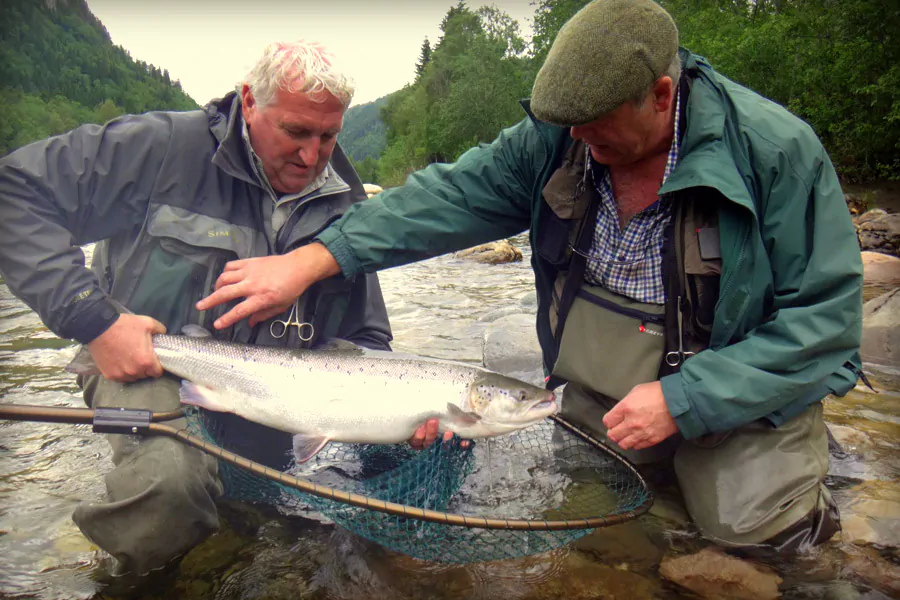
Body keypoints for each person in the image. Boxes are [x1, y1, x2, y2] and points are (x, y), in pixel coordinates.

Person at [198, 0, 864, 554]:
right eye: (571, 129)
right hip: (600, 396)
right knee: (595, 528)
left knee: (758, 540)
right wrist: (317, 257)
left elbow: (827, 325)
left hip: (734, 397)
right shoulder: (560, 136)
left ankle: (818, 470)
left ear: (661, 96)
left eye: (598, 131)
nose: (581, 144)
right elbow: (446, 199)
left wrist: (685, 401)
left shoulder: (775, 156)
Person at [0, 40, 393, 575]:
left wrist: (402, 409)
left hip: (272, 394)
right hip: (144, 362)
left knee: (259, 518)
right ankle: (140, 583)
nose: (310, 156)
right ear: (250, 102)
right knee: (171, 487)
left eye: (329, 136)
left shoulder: (347, 202)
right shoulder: (158, 149)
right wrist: (93, 318)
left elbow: (367, 337)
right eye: (296, 132)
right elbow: (14, 191)